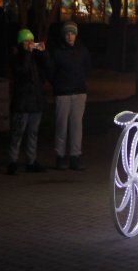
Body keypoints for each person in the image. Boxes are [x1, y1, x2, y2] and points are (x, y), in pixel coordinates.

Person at [7, 29, 51, 175]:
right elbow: (22, 71)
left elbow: (49, 69)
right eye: (26, 41)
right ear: (20, 43)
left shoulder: (35, 57)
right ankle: (12, 161)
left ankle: (31, 161)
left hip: (35, 101)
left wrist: (43, 53)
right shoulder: (16, 56)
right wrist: (26, 53)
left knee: (33, 133)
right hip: (22, 102)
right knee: (17, 133)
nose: (30, 44)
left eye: (32, 41)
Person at [51, 21, 92, 171]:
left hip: (79, 92)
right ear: (64, 35)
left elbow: (87, 67)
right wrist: (58, 84)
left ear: (76, 35)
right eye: (67, 33)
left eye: (72, 33)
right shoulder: (58, 52)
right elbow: (52, 71)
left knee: (76, 126)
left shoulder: (82, 51)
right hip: (63, 92)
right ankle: (60, 156)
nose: (70, 36)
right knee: (61, 125)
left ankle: (75, 156)